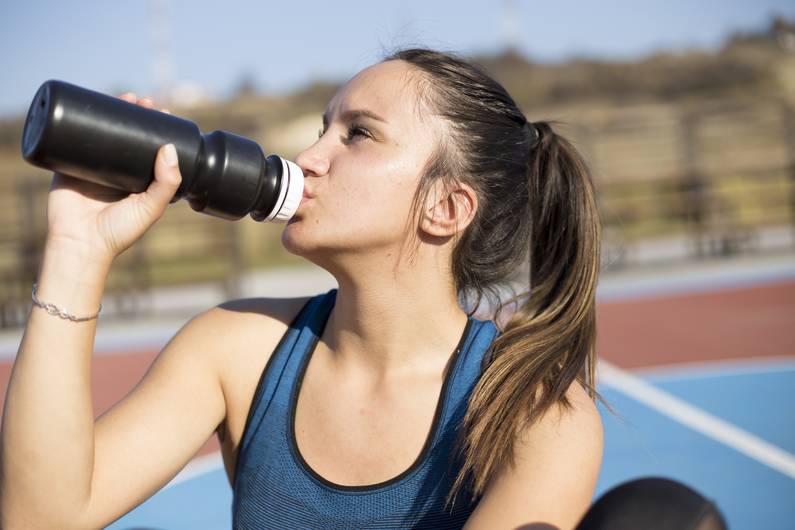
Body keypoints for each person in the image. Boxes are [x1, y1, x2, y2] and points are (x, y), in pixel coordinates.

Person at [1, 48, 606, 529]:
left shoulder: (536, 409)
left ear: (447, 207)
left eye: (358, 135)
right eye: (323, 129)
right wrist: (77, 251)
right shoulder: (236, 351)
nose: (308, 157)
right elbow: (40, 518)